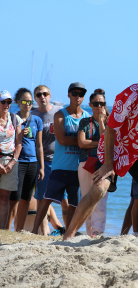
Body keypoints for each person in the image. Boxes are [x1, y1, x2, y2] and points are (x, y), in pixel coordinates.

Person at [63, 55, 138, 240]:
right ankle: (68, 238)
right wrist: (109, 164)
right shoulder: (130, 94)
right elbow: (111, 130)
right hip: (117, 149)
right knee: (98, 189)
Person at [32, 82, 90, 234]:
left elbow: (88, 141)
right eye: (75, 93)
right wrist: (82, 141)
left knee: (73, 204)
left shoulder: (87, 117)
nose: (78, 97)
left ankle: (69, 233)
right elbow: (62, 140)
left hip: (78, 168)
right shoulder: (60, 115)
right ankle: (33, 230)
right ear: (69, 94)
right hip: (60, 166)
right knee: (47, 199)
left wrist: (84, 142)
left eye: (81, 94)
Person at [30, 85, 65, 235]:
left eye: (45, 94)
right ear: (35, 98)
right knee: (41, 199)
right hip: (41, 163)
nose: (42, 96)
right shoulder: (33, 115)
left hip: (60, 161)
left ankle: (69, 229)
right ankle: (44, 233)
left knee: (65, 199)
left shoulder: (58, 112)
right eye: (39, 95)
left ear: (50, 96)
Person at [8, 88, 44, 232]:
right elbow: (8, 141)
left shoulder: (37, 120)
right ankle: (6, 228)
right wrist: (20, 134)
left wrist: (41, 167)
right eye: (24, 101)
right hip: (18, 162)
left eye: (30, 101)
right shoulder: (12, 118)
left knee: (26, 199)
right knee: (14, 198)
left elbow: (39, 145)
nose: (27, 104)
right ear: (18, 102)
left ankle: (19, 230)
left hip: (32, 163)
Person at [77, 89, 110, 237]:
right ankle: (89, 231)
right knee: (87, 199)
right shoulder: (85, 122)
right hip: (86, 164)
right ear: (90, 104)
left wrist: (102, 122)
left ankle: (98, 232)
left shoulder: (110, 122)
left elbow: (107, 141)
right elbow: (82, 143)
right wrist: (99, 144)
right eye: (96, 103)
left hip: (103, 166)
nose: (99, 106)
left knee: (101, 200)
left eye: (102, 103)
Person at [0, 90, 22, 229]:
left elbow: (19, 143)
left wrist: (12, 162)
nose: (7, 104)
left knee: (5, 198)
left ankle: (1, 230)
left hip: (9, 162)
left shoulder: (15, 119)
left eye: (9, 102)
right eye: (3, 101)